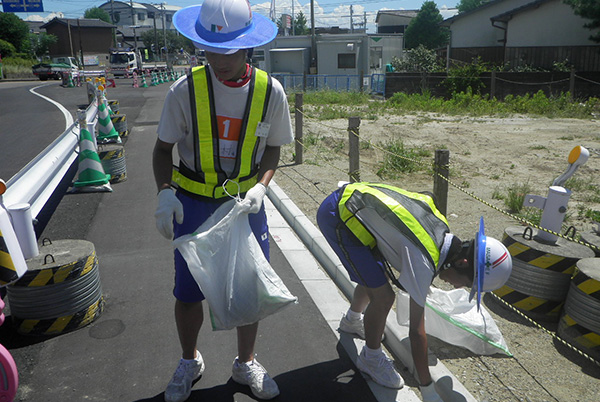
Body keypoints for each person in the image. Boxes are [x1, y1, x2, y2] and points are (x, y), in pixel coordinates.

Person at [152, 0, 293, 401]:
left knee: (249, 290)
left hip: (245, 205)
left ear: (247, 45)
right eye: (210, 48)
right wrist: (165, 193)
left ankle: (245, 362)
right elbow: (162, 151)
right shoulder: (185, 90)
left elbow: (273, 150)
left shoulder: (270, 91)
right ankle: (189, 359)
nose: (218, 59)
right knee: (188, 291)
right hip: (192, 203)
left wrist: (262, 187)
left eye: (228, 50)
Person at [316, 182, 512, 402]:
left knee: (378, 275)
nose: (458, 287)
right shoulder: (424, 261)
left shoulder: (440, 228)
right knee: (384, 297)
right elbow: (417, 333)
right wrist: (427, 389)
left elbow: (421, 200)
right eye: (466, 284)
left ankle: (352, 320)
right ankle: (370, 358)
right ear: (462, 263)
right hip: (340, 218)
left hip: (352, 203)